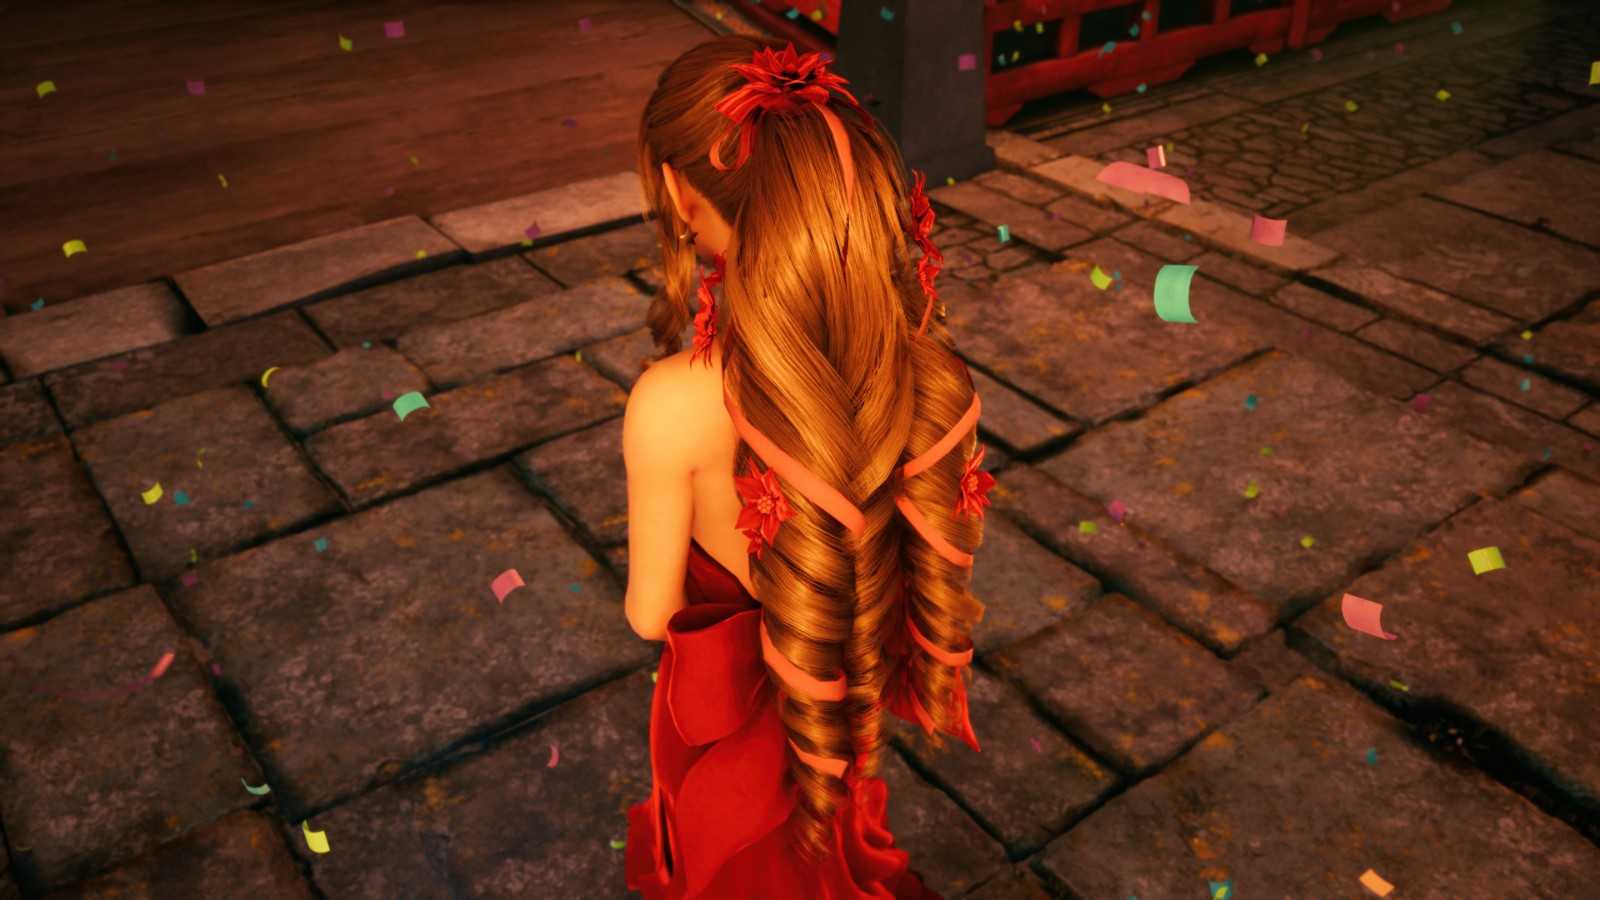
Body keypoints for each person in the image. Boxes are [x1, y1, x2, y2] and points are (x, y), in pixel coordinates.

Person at [621, 36, 995, 899]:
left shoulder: (671, 402)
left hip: (730, 725)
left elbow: (650, 613)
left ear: (679, 195)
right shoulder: (903, 363)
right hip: (839, 687)